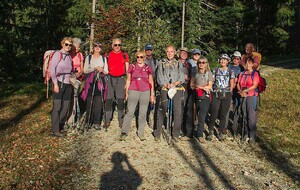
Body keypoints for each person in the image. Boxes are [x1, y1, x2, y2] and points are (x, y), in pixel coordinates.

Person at [119, 51, 155, 141]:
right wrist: (126, 92)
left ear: (145, 58)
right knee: (130, 111)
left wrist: (152, 94)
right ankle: (124, 131)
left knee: (142, 113)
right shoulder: (132, 66)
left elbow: (151, 81)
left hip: (145, 91)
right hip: (134, 90)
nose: (139, 59)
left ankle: (141, 133)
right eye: (138, 57)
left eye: (141, 57)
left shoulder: (147, 68)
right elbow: (128, 80)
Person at [153, 45, 185, 142]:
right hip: (165, 88)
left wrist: (175, 83)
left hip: (177, 89)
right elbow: (159, 77)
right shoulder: (161, 63)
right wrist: (166, 84)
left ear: (175, 52)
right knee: (162, 110)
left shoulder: (179, 63)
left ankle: (175, 133)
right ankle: (157, 133)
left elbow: (181, 77)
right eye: (168, 51)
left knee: (177, 111)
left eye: (171, 51)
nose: (170, 53)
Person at [207, 54, 235, 141]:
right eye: (221, 60)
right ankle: (210, 131)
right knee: (214, 112)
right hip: (216, 93)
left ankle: (220, 132)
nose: (223, 61)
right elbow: (211, 81)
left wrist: (230, 91)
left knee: (223, 114)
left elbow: (232, 83)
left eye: (225, 60)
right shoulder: (215, 70)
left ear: (227, 61)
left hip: (226, 94)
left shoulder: (231, 71)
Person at [81, 42, 108, 130]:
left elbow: (107, 71)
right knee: (90, 101)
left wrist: (102, 69)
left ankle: (97, 122)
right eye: (95, 46)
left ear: (101, 48)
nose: (97, 48)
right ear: (93, 48)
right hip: (90, 81)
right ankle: (89, 121)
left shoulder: (103, 58)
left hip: (100, 80)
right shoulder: (89, 58)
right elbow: (85, 70)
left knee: (99, 101)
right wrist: (94, 68)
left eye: (99, 46)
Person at [50, 37, 73, 137]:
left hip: (68, 83)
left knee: (66, 106)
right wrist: (55, 83)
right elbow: (52, 69)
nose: (68, 46)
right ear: (62, 44)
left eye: (70, 45)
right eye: (66, 44)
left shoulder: (69, 57)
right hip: (59, 82)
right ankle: (55, 130)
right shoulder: (57, 54)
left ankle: (60, 125)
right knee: (57, 106)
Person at [104, 38, 130, 129]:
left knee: (120, 100)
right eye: (115, 45)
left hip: (120, 78)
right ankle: (107, 119)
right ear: (112, 46)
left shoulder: (124, 55)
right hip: (110, 79)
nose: (117, 47)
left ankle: (121, 120)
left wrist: (127, 81)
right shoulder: (107, 55)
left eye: (119, 45)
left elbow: (127, 71)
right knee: (108, 99)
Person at [236, 57, 259, 144]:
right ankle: (245, 133)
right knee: (244, 114)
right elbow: (238, 84)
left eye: (250, 63)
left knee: (251, 116)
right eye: (246, 63)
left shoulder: (255, 74)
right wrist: (240, 91)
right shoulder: (242, 73)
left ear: (252, 64)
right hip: (242, 95)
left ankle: (252, 135)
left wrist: (245, 91)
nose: (248, 65)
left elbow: (254, 85)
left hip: (251, 96)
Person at [190, 57, 213, 142]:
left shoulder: (209, 73)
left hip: (205, 96)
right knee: (194, 114)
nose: (201, 64)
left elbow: (210, 86)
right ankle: (191, 132)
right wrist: (202, 87)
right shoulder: (195, 72)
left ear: (206, 63)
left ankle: (200, 134)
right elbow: (191, 85)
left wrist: (201, 88)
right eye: (199, 62)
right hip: (196, 95)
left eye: (203, 62)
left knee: (202, 116)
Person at [67, 37, 84, 128]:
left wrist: (79, 73)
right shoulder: (68, 54)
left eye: (79, 47)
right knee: (67, 99)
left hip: (77, 79)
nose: (78, 49)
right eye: (76, 47)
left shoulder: (80, 55)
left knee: (75, 98)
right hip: (68, 78)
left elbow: (82, 68)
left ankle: (72, 119)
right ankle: (65, 117)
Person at [178, 47, 194, 139]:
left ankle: (186, 130)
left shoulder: (189, 65)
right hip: (178, 88)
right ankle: (178, 129)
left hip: (187, 88)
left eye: (185, 53)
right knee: (179, 110)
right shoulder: (176, 63)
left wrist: (188, 79)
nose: (184, 54)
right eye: (182, 52)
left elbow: (192, 76)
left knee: (187, 110)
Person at [144, 43, 158, 129]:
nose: (149, 51)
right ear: (145, 51)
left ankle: (151, 119)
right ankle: (144, 118)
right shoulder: (142, 59)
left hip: (153, 83)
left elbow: (157, 72)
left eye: (150, 50)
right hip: (144, 84)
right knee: (144, 102)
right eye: (147, 50)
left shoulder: (155, 61)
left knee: (152, 102)